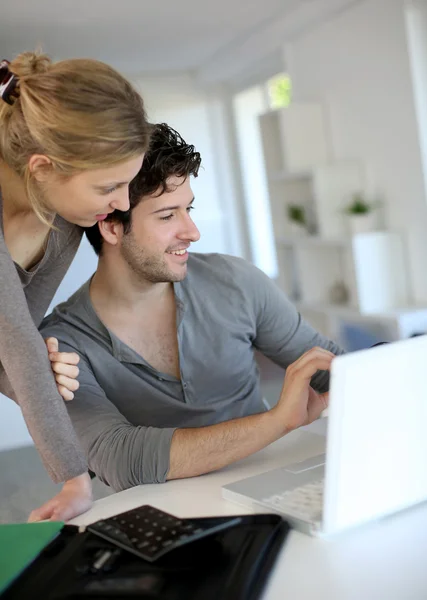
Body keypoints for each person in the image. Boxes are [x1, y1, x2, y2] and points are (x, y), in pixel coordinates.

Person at [40, 123, 343, 493]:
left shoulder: (236, 280)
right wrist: (278, 421)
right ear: (112, 228)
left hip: (277, 487)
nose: (192, 231)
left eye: (189, 209)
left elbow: (332, 370)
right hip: (172, 519)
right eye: (168, 216)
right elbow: (118, 458)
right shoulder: (63, 345)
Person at [0, 51, 151, 521]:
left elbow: (15, 334)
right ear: (42, 167)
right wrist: (74, 478)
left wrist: (33, 367)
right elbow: (18, 344)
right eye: (109, 187)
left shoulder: (63, 217)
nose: (122, 202)